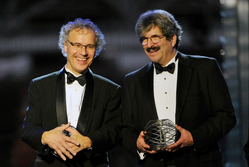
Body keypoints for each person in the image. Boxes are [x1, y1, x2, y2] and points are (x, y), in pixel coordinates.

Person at [121, 9, 236, 167]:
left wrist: (193, 138)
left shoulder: (205, 68)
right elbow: (125, 129)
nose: (149, 45)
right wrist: (137, 143)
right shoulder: (132, 80)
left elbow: (226, 116)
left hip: (198, 161)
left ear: (172, 38)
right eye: (144, 39)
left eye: (155, 38)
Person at [21, 18, 121, 167]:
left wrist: (88, 142)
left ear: (96, 49)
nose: (83, 52)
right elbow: (28, 130)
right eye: (77, 45)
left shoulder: (111, 89)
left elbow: (114, 131)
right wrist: (46, 136)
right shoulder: (40, 85)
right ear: (65, 45)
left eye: (89, 46)